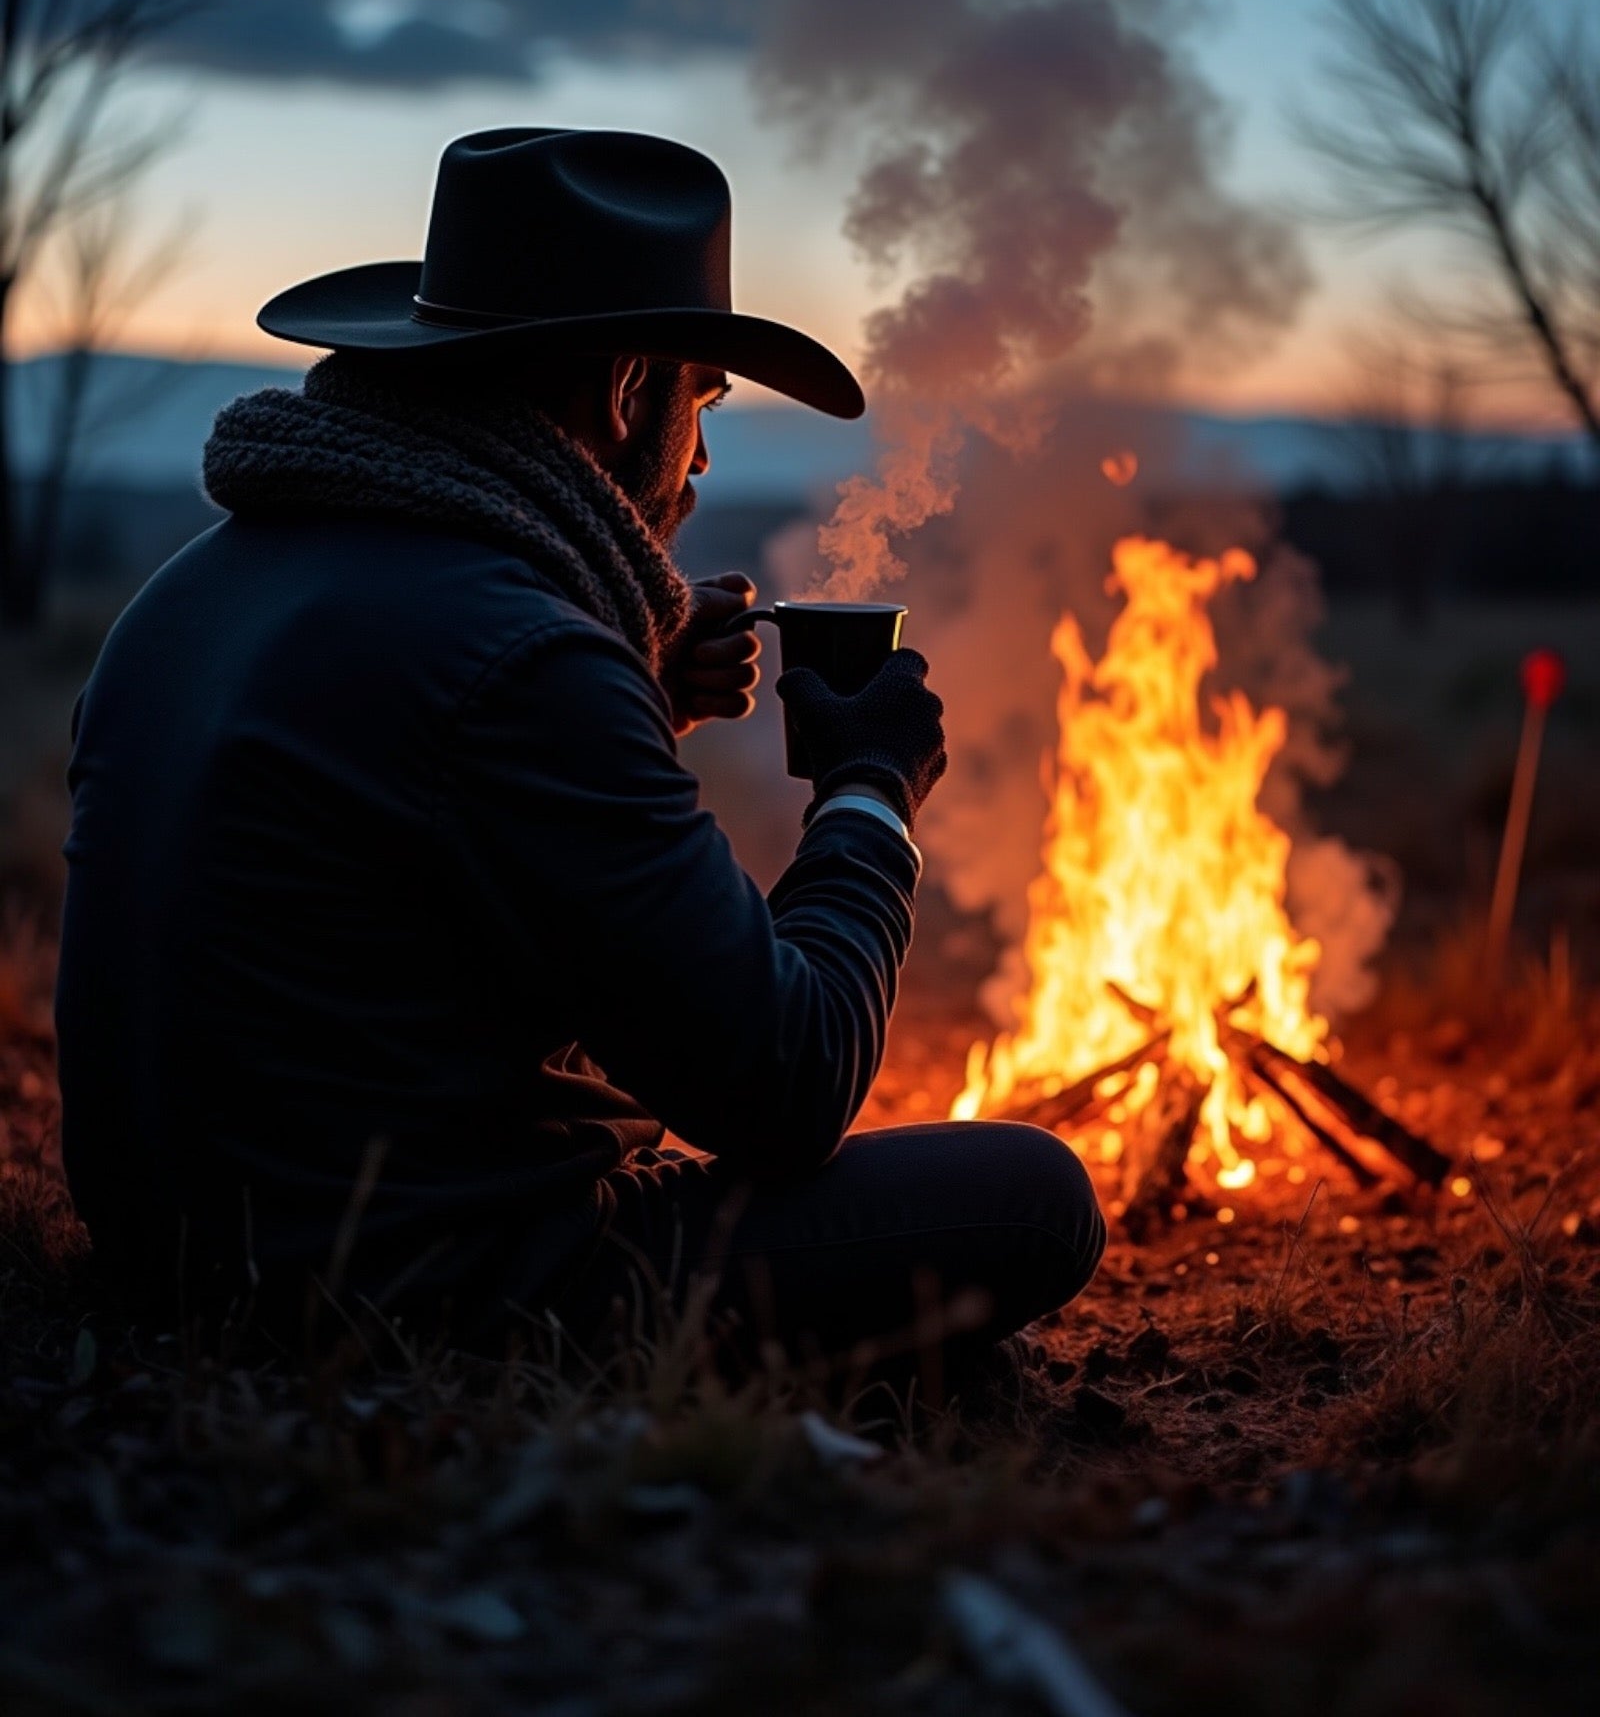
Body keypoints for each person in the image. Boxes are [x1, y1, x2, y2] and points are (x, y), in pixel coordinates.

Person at [54, 128, 1104, 1381]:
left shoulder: (185, 597)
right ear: (624, 393)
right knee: (1030, 1196)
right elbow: (786, 1082)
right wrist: (871, 792)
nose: (702, 463)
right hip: (431, 1292)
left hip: (180, 1257)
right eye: (701, 405)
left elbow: (404, 850)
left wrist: (637, 691)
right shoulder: (522, 663)